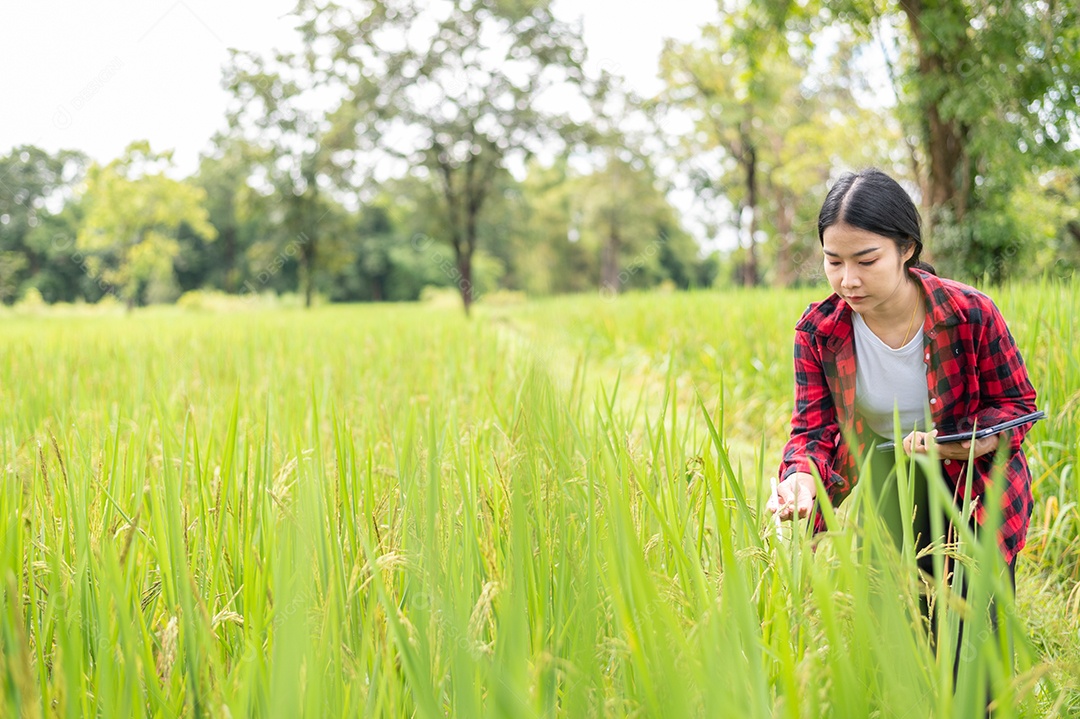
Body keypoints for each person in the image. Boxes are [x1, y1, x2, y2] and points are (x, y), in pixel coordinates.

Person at [765, 168, 1038, 644]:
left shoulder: (969, 313)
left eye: (866, 260)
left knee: (974, 655)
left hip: (972, 487)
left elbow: (1015, 404)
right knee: (901, 652)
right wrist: (800, 481)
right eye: (834, 262)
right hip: (888, 488)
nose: (848, 280)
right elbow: (812, 431)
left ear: (907, 248)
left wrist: (964, 445)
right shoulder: (819, 331)